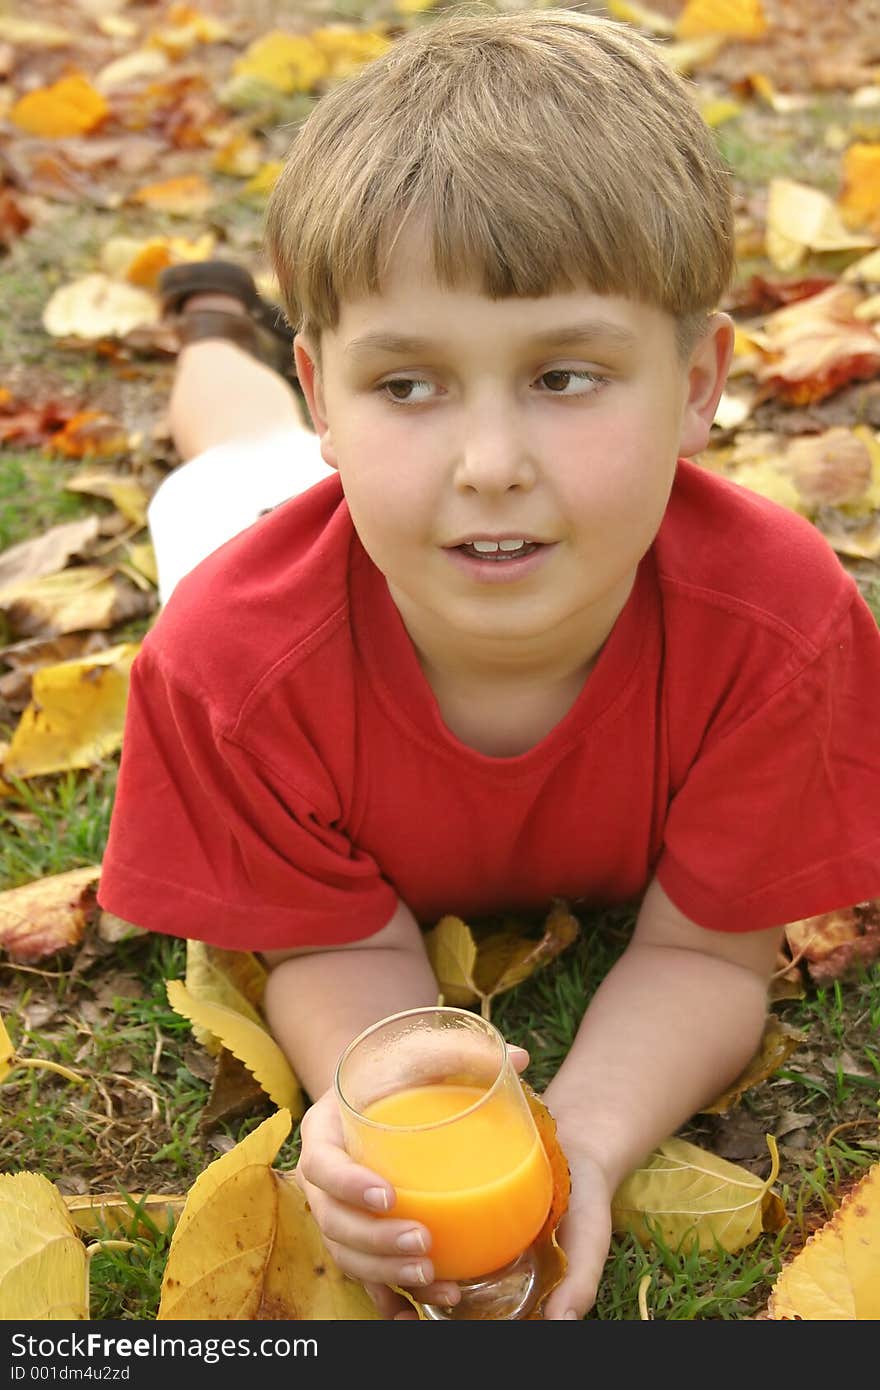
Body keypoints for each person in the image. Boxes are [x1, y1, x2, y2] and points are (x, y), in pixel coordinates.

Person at [97, 6, 880, 1320]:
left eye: (566, 374)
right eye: (407, 384)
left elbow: (709, 955)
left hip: (376, 522)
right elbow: (338, 942)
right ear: (333, 391)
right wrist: (388, 1105)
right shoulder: (230, 668)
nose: (489, 458)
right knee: (225, 458)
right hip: (277, 535)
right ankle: (217, 331)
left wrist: (574, 1136)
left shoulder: (778, 629)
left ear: (698, 384)